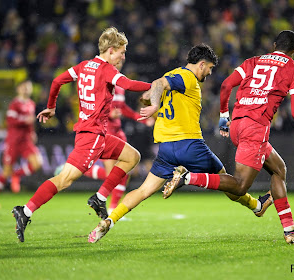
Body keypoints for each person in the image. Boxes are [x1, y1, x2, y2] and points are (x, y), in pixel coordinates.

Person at [88, 43, 273, 243]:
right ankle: (255, 205)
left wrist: (149, 101)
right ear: (201, 64)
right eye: (209, 68)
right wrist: (155, 104)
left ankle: (109, 221)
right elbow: (158, 84)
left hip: (167, 149)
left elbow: (151, 90)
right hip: (190, 144)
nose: (209, 73)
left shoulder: (173, 74)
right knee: (231, 183)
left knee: (143, 190)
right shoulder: (187, 78)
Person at [163, 30, 294, 244]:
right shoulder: (293, 69)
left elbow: (226, 85)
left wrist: (224, 115)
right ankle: (188, 177)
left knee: (279, 169)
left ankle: (290, 230)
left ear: (273, 45)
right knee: (241, 185)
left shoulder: (253, 61)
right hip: (256, 127)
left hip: (237, 123)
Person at [12, 27, 152, 242]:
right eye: (122, 52)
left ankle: (99, 197)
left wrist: (51, 106)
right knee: (64, 180)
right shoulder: (106, 69)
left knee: (132, 157)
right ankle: (26, 211)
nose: (123, 57)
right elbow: (129, 84)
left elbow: (57, 81)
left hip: (94, 134)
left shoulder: (84, 65)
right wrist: (159, 85)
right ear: (112, 50)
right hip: (93, 136)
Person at [54, 61, 155, 213]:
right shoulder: (101, 79)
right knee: (112, 174)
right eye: (119, 57)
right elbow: (93, 104)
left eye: (123, 58)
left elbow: (122, 109)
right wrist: (109, 113)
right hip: (104, 129)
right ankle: (81, 171)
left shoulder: (119, 83)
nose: (121, 61)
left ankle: (114, 207)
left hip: (118, 130)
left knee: (124, 171)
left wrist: (138, 117)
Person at [0, 80, 42, 208]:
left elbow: (31, 122)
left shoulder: (31, 104)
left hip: (26, 139)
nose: (26, 89)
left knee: (37, 163)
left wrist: (32, 132)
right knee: (6, 171)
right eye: (24, 87)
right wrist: (25, 120)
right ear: (18, 89)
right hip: (14, 140)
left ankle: (17, 175)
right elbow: (11, 121)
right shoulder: (14, 104)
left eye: (28, 87)